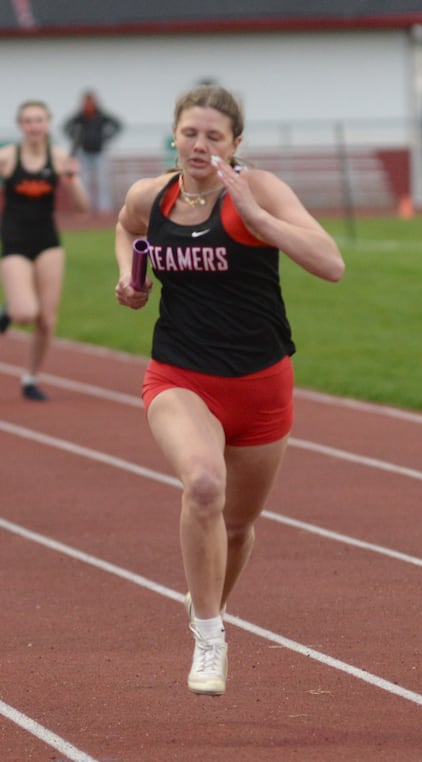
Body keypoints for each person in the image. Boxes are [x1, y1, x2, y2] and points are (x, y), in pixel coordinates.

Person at [114, 84, 344, 696]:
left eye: (215, 137)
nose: (200, 145)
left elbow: (331, 263)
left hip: (262, 384)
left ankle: (206, 601)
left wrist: (263, 219)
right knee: (204, 485)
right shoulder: (152, 195)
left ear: (235, 144)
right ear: (174, 135)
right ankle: (210, 637)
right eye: (190, 133)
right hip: (181, 376)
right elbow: (125, 225)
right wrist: (129, 278)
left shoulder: (259, 190)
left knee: (238, 527)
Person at [0, 100, 89, 401]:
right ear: (21, 125)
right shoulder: (8, 158)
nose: (34, 126)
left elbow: (82, 208)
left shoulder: (60, 156)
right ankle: (10, 310)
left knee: (47, 320)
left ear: (47, 124)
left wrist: (72, 179)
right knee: (25, 312)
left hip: (48, 242)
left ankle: (30, 378)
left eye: (39, 120)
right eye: (28, 120)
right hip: (14, 241)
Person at [63, 90, 122, 213]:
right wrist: (75, 138)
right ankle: (86, 207)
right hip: (84, 153)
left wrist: (107, 137)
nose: (89, 104)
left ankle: (104, 208)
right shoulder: (80, 117)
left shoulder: (101, 115)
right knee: (85, 182)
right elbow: (66, 127)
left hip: (99, 153)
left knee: (102, 182)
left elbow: (117, 124)